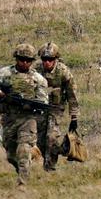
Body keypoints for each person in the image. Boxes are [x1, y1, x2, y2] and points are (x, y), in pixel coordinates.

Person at [0, 44, 48, 186]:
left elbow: (43, 100)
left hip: (28, 119)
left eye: (28, 60)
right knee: (11, 154)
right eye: (21, 59)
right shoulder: (5, 73)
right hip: (9, 118)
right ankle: (27, 160)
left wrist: (31, 104)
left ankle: (22, 184)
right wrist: (0, 94)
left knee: (23, 149)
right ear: (16, 59)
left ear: (32, 61)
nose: (24, 63)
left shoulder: (38, 79)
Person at [34, 42, 80, 171]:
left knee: (51, 137)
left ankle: (50, 167)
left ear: (55, 59)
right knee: (40, 140)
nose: (47, 62)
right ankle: (63, 148)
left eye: (50, 59)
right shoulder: (36, 70)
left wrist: (74, 117)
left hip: (56, 108)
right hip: (40, 108)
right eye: (44, 59)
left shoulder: (63, 72)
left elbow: (72, 95)